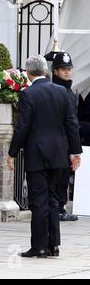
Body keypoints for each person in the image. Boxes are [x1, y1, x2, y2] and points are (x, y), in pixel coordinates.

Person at [7, 55, 82, 258]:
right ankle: (53, 245)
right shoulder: (62, 92)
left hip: (37, 154)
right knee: (52, 200)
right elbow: (71, 124)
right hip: (59, 153)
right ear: (46, 71)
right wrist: (76, 152)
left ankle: (39, 245)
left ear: (29, 73)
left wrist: (12, 152)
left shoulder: (28, 94)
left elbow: (23, 127)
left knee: (39, 200)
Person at [51, 52, 79, 221]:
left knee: (64, 177)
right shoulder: (57, 90)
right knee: (58, 177)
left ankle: (60, 207)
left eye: (69, 69)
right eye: (63, 69)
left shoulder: (69, 92)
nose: (67, 72)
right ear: (55, 71)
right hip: (59, 141)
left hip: (67, 141)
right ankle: (57, 208)